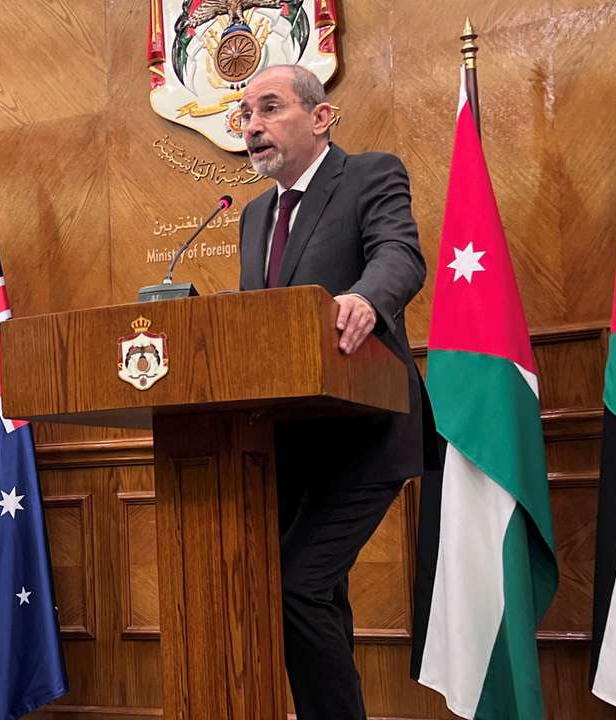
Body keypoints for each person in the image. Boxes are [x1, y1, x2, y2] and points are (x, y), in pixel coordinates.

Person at [236, 65, 429, 720]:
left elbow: (400, 255)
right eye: (244, 115)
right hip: (287, 443)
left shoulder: (370, 175)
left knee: (296, 588)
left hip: (367, 432)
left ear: (320, 118)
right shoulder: (256, 214)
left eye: (267, 108)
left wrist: (366, 300)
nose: (252, 126)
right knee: (311, 594)